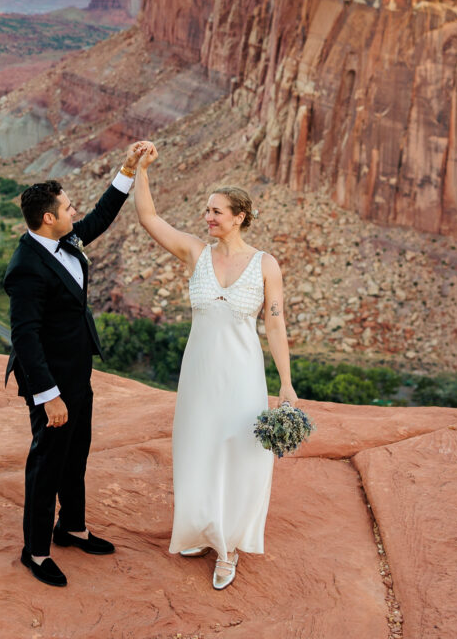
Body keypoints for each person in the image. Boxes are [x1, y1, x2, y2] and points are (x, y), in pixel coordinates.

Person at [134, 143, 297, 590]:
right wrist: (140, 170)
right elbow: (149, 218)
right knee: (198, 449)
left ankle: (228, 548)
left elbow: (276, 325)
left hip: (243, 375)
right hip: (200, 374)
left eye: (216, 211)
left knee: (241, 453)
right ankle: (204, 529)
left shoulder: (265, 265)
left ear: (239, 217)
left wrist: (285, 382)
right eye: (207, 210)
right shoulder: (195, 253)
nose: (207, 217)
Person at [4, 142, 146, 587]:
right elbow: (25, 336)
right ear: (48, 218)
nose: (74, 211)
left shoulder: (64, 240)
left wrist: (127, 169)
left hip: (77, 370)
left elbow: (100, 218)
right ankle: (36, 550)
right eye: (67, 208)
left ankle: (72, 526)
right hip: (50, 380)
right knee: (47, 462)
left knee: (76, 451)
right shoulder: (26, 267)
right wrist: (49, 396)